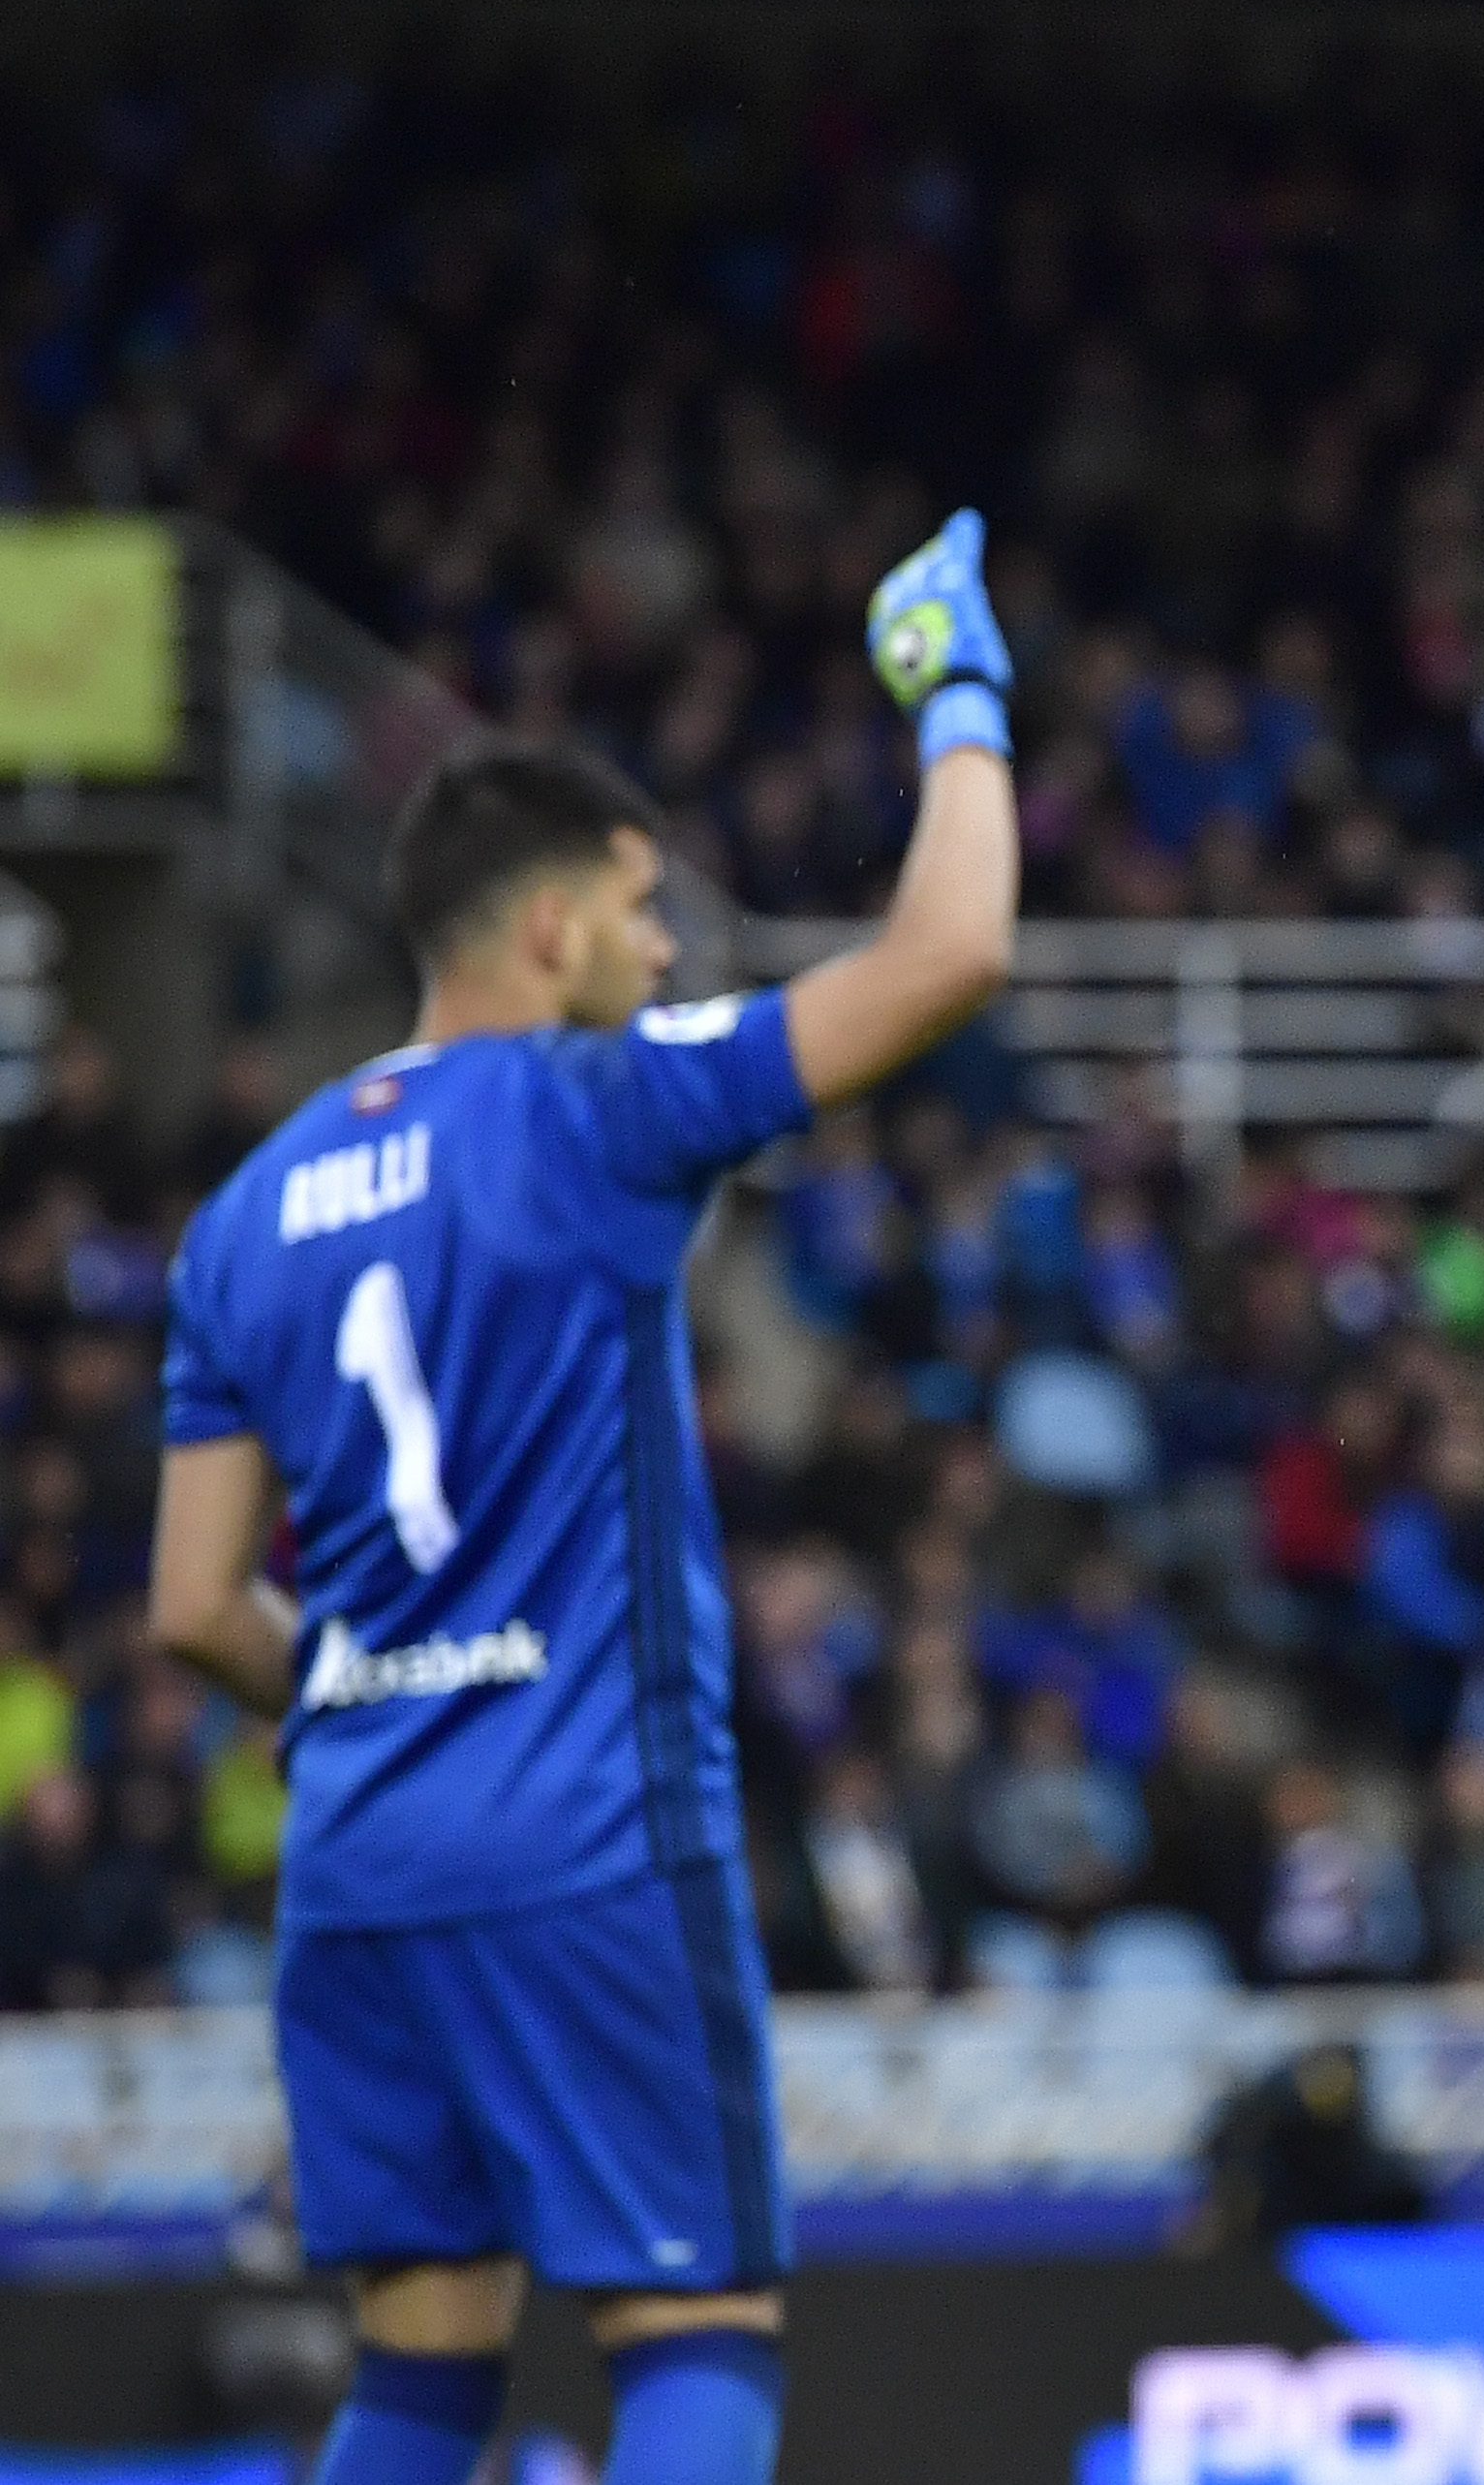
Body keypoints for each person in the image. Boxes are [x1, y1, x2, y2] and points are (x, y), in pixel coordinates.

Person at [143, 513, 1024, 2485]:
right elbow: (954, 953)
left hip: (360, 1867)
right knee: (693, 2333)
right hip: (589, 1837)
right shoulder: (595, 1105)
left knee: (421, 2375)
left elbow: (194, 1605)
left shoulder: (239, 1216)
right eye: (641, 916)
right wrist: (957, 691)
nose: (662, 955)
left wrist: (381, 1696)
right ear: (544, 927)